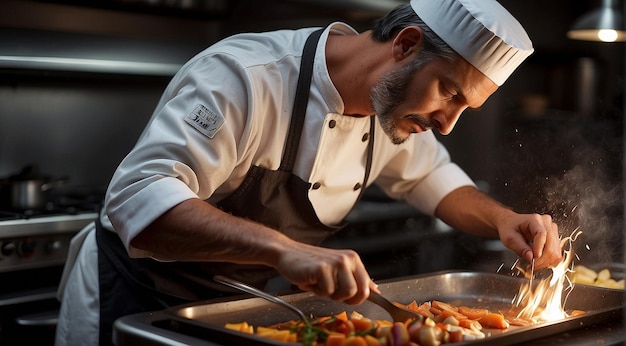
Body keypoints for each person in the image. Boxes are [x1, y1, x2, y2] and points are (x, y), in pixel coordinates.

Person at [55, 0, 563, 344]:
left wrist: (502, 219)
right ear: (406, 45)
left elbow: (434, 180)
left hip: (243, 314)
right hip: (135, 301)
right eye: (450, 93)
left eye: (464, 109)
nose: (448, 125)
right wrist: (283, 249)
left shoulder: (392, 110)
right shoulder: (246, 77)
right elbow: (138, 197)